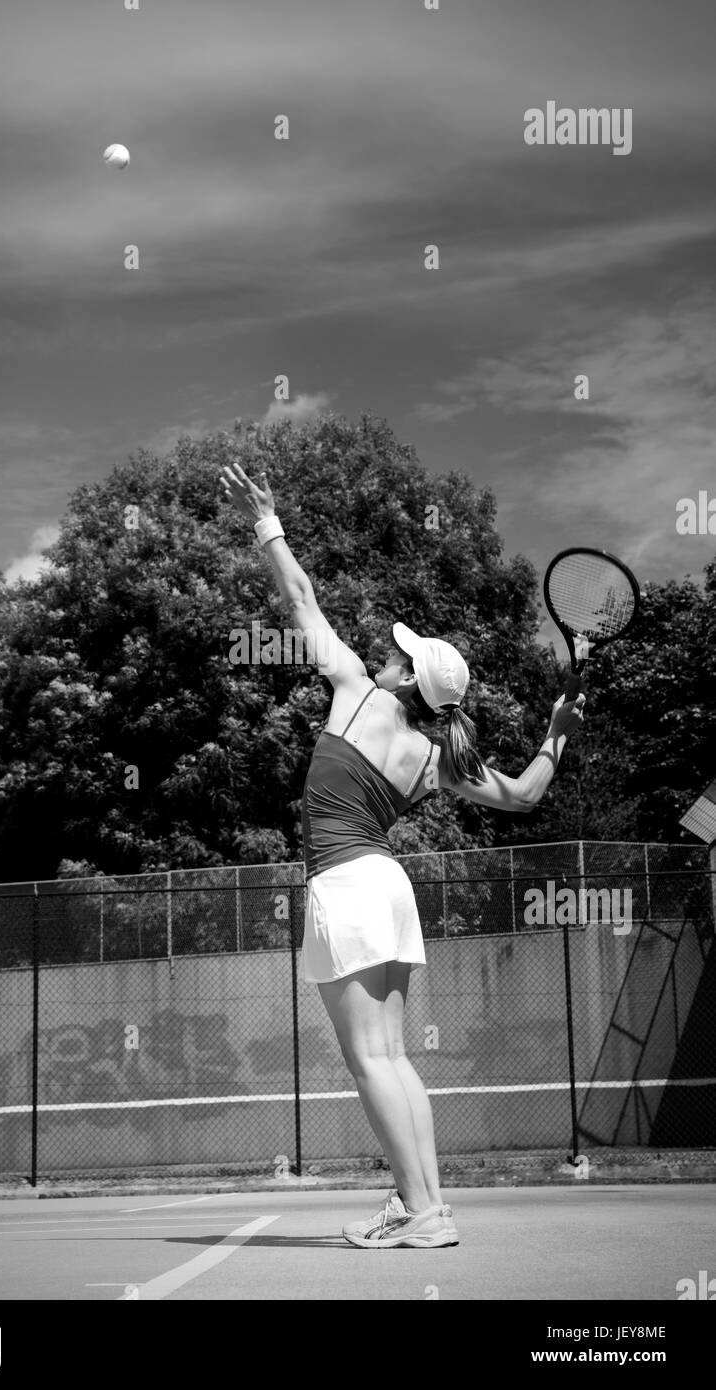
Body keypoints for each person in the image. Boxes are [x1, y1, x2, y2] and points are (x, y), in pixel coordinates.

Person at [220, 460, 585, 1249]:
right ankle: (426, 1206)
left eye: (397, 653)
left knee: (370, 1060)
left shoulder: (357, 690)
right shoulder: (436, 756)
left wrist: (267, 521)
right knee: (391, 1057)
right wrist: (556, 735)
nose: (385, 653)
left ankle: (421, 1212)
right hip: (388, 887)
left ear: (403, 677)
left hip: (350, 887)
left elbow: (300, 599)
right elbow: (525, 795)